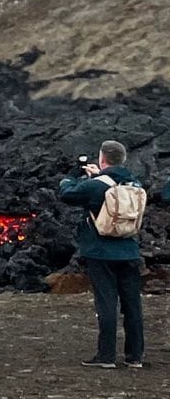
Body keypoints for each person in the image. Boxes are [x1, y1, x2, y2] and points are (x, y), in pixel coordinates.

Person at [58, 141, 148, 368]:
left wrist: (74, 178)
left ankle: (106, 356)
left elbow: (67, 195)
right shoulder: (134, 182)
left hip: (101, 252)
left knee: (107, 304)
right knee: (132, 305)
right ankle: (135, 356)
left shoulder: (95, 185)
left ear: (102, 159)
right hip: (129, 250)